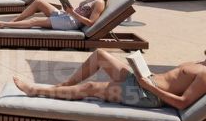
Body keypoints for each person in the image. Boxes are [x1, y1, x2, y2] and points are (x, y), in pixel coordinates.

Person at [13, 49, 206, 110]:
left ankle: (34, 91)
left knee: (90, 87)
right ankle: (63, 86)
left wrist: (148, 85)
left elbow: (182, 103)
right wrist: (144, 74)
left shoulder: (205, 73)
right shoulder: (199, 63)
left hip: (148, 95)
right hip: (146, 81)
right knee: (100, 55)